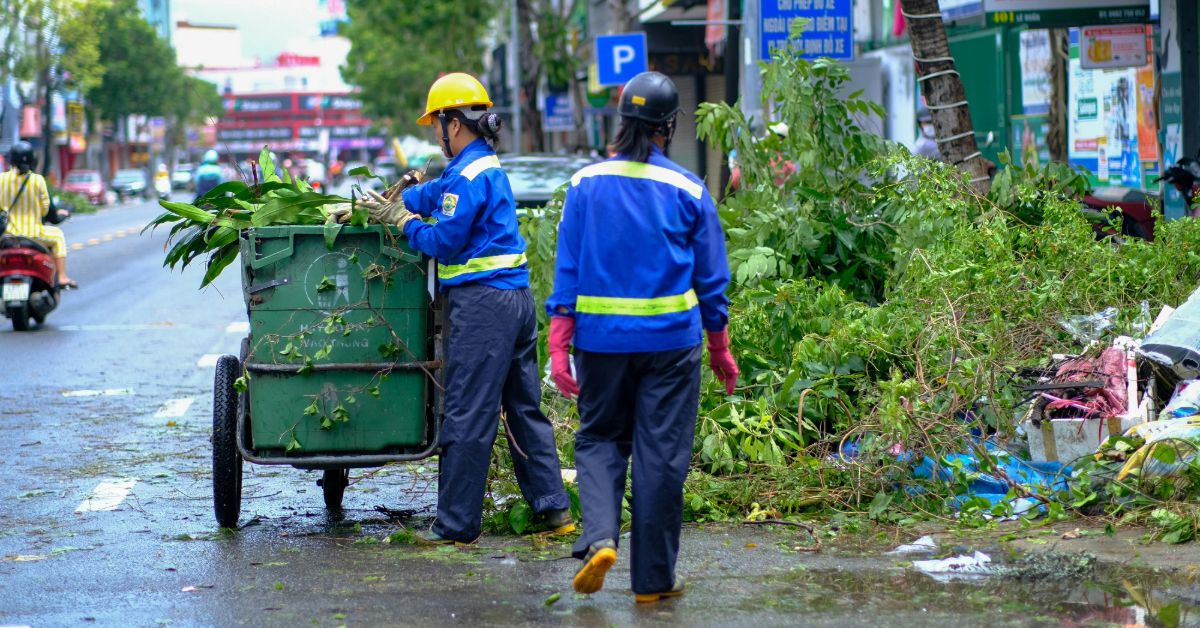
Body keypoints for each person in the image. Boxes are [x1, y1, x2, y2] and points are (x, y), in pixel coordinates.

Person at [329, 72, 573, 545]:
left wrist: (400, 222)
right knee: (524, 411)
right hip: (516, 303)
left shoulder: (467, 175)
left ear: (453, 122)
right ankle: (555, 512)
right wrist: (383, 201)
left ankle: (456, 527)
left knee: (467, 413)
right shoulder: (482, 167)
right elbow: (433, 196)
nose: (435, 135)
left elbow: (443, 238)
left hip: (485, 307)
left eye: (436, 124)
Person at [544, 71, 737, 602]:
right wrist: (719, 348)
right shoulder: (688, 188)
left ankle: (601, 536)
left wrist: (558, 343)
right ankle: (652, 582)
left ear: (622, 122)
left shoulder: (585, 184)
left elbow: (569, 268)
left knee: (600, 439)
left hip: (600, 343)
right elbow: (712, 280)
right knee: (660, 456)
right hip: (671, 346)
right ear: (667, 126)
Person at [0, 142, 75, 288]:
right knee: (58, 236)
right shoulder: (37, 180)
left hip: (7, 235)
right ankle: (62, 277)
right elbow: (46, 209)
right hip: (33, 234)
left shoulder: (1, 180)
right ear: (33, 161)